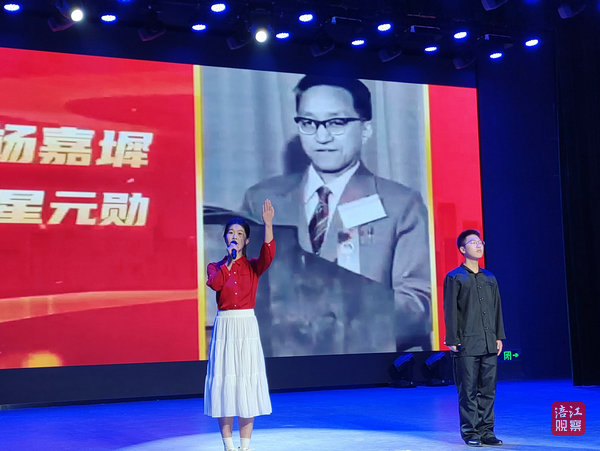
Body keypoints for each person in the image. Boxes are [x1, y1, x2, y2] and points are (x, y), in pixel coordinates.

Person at [242, 75, 431, 350]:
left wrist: (332, 318)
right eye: (309, 123)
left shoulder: (400, 205)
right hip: (277, 362)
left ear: (366, 129)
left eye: (336, 122)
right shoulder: (262, 200)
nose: (322, 137)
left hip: (365, 363)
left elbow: (417, 306)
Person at [204, 199, 275, 451]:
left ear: (247, 241)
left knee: (246, 383)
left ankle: (245, 447)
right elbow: (215, 284)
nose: (235, 237)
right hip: (225, 327)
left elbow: (269, 254)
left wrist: (268, 225)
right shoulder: (216, 267)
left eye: (240, 234)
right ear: (225, 238)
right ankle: (228, 445)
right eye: (231, 233)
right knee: (225, 384)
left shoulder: (254, 267)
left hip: (246, 326)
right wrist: (230, 263)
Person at [443, 229, 506, 447]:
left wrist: (499, 336)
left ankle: (487, 431)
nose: (479, 245)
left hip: (489, 342)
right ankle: (470, 432)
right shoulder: (455, 277)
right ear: (462, 249)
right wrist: (452, 338)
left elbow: (497, 308)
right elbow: (450, 310)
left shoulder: (490, 277)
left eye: (480, 242)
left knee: (488, 390)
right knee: (468, 391)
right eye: (473, 242)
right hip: (466, 343)